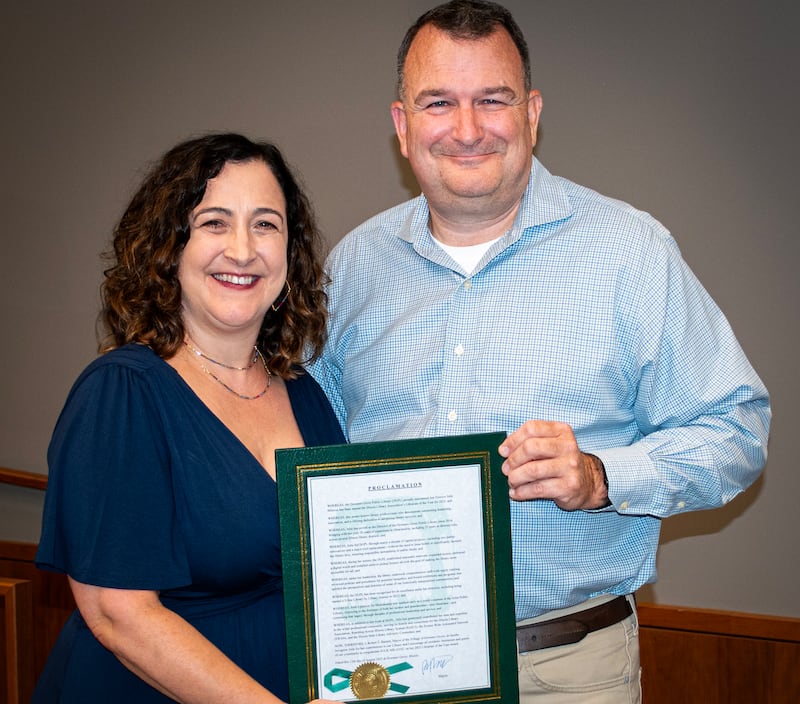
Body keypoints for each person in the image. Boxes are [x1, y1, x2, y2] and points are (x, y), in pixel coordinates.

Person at [308, 1, 771, 702]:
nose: (466, 130)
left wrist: (600, 476)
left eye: (492, 100)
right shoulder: (354, 268)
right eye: (439, 102)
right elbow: (309, 443)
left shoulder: (629, 252)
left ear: (531, 112)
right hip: (389, 671)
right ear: (403, 125)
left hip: (568, 671)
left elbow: (736, 430)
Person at [34, 133, 343, 703]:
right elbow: (118, 613)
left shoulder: (308, 399)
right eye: (215, 222)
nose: (244, 250)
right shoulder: (122, 394)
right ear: (169, 246)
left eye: (266, 224)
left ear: (290, 254)